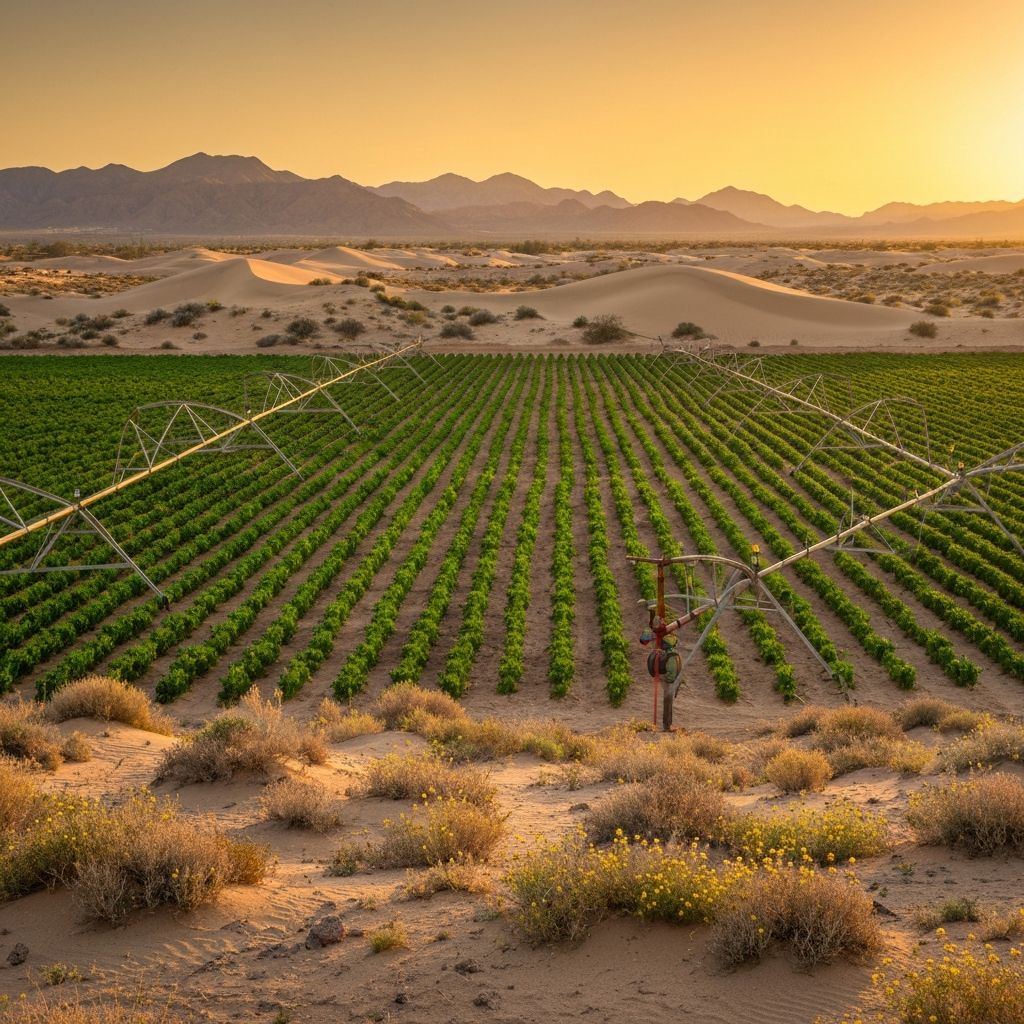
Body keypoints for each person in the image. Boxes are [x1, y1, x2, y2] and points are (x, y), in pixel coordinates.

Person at [640, 609, 696, 731]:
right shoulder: (662, 636)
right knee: (668, 698)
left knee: (668, 699)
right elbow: (644, 639)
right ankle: (667, 725)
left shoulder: (667, 633)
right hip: (666, 673)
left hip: (667, 670)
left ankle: (667, 724)